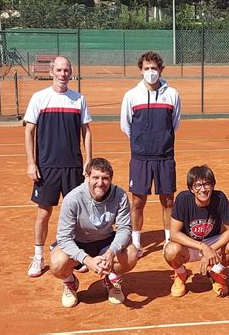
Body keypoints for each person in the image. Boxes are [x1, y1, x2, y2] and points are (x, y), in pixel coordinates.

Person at [24, 56, 92, 277]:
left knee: (77, 213)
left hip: (73, 166)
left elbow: (86, 131)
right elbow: (29, 131)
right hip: (47, 168)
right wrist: (31, 163)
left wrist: (89, 161)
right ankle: (38, 256)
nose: (63, 74)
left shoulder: (78, 99)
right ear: (52, 72)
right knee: (44, 213)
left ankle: (76, 254)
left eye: (66, 70)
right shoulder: (39, 98)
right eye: (59, 70)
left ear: (70, 72)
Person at [50, 158, 138, 308]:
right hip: (78, 242)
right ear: (87, 178)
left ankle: (111, 279)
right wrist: (87, 260)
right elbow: (64, 237)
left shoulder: (120, 196)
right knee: (57, 264)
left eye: (105, 178)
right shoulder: (73, 198)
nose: (100, 183)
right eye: (95, 178)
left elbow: (124, 228)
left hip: (105, 242)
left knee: (131, 254)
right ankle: (70, 282)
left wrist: (111, 253)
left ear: (111, 179)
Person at [120, 51, 181, 257]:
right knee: (137, 202)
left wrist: (161, 139)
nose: (150, 72)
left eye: (154, 68)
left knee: (168, 201)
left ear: (161, 70)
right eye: (146, 69)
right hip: (140, 157)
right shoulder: (131, 95)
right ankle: (136, 243)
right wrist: (141, 142)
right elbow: (126, 125)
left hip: (165, 157)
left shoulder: (172, 94)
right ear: (140, 70)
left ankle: (168, 240)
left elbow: (175, 124)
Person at [164, 165, 229, 297]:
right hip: (189, 244)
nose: (203, 189)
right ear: (191, 189)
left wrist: (211, 249)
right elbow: (174, 233)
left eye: (207, 184)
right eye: (197, 186)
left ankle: (215, 271)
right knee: (170, 250)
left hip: (212, 242)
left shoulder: (220, 198)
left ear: (213, 185)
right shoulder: (183, 199)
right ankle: (180, 273)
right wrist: (203, 247)